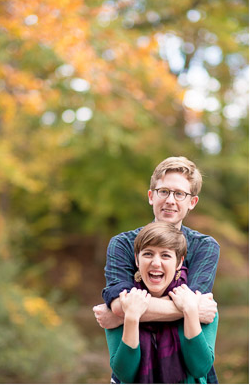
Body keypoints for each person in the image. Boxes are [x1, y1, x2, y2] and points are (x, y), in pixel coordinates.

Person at [93, 157, 220, 383]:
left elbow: (196, 306)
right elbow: (194, 307)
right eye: (163, 191)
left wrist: (126, 314)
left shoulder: (205, 247)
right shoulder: (123, 244)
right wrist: (190, 309)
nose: (170, 200)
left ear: (192, 202)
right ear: (151, 196)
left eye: (179, 194)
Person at [106, 222, 217, 383]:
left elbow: (199, 368)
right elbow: (125, 374)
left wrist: (191, 311)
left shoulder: (201, 304)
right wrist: (130, 317)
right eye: (148, 254)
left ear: (179, 262)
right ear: (137, 259)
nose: (156, 263)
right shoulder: (124, 302)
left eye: (165, 255)